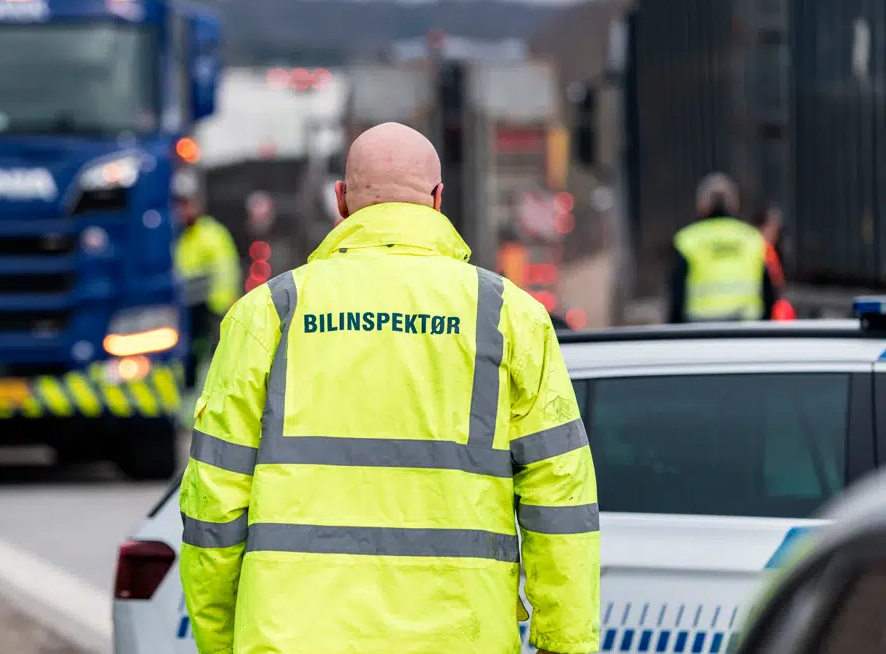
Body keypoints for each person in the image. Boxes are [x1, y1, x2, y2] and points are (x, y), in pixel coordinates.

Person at [179, 122, 600, 654]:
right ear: (438, 199)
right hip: (460, 640)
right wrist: (565, 645)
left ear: (341, 200)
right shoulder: (510, 316)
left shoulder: (267, 315)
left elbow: (213, 502)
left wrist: (219, 641)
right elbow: (560, 498)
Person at [667, 174, 778, 323]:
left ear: (702, 205)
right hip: (746, 329)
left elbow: (676, 298)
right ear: (734, 204)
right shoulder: (753, 239)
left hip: (700, 330)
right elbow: (769, 294)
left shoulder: (687, 241)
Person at [172, 173, 242, 394]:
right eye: (179, 205)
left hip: (212, 308)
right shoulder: (180, 236)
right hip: (188, 309)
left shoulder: (210, 234)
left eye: (186, 204)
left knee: (209, 358)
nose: (182, 211)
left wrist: (221, 305)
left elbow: (225, 270)